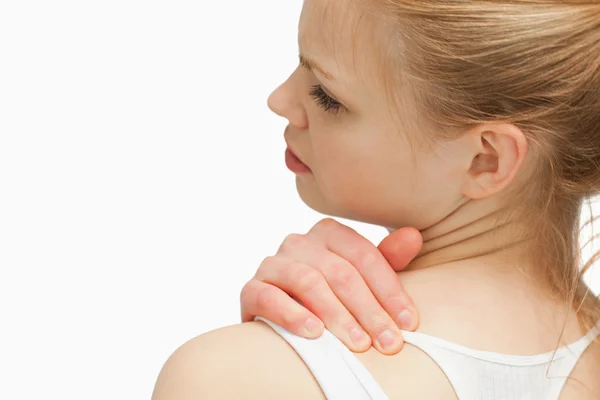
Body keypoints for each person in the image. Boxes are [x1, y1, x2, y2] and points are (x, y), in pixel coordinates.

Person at [151, 0, 600, 398]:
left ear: (486, 159)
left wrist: (255, 361)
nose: (279, 100)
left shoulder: (231, 375)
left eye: (327, 96)